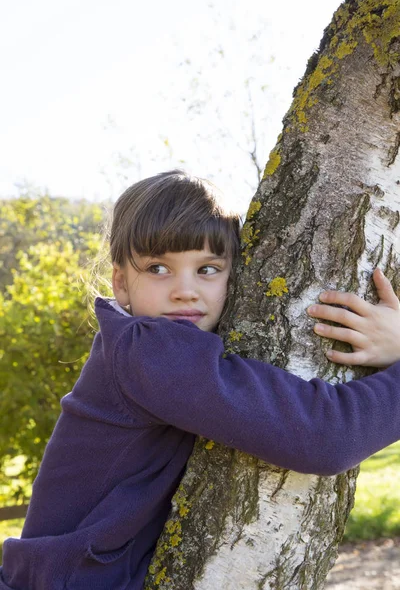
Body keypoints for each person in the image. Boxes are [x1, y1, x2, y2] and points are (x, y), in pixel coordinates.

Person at [1, 169, 400, 590]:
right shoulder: (147, 351)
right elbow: (324, 437)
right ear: (120, 283)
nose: (184, 290)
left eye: (208, 269)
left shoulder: (153, 354)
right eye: (158, 268)